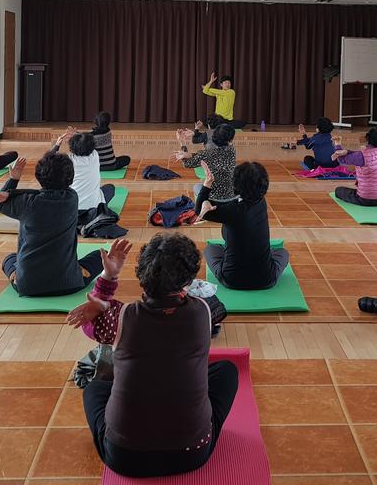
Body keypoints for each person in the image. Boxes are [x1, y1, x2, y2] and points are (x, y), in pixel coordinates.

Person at [67, 235, 239, 478]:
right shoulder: (203, 311)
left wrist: (108, 278)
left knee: (94, 389)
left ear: (142, 276)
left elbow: (89, 325)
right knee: (227, 371)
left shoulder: (122, 316)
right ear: (189, 280)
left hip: (124, 457)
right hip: (192, 454)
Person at [0, 154, 103, 296]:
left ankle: (15, 277)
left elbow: (0, 203)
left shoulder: (26, 202)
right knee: (103, 255)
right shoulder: (72, 197)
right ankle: (78, 269)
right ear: (70, 177)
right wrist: (12, 193)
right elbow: (46, 194)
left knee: (9, 259)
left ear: (39, 176)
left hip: (29, 286)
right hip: (69, 283)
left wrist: (13, 182)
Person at [198, 161, 289, 289]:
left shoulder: (230, 210)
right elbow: (231, 202)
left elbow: (199, 210)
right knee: (282, 252)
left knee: (210, 249)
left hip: (232, 280)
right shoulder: (261, 201)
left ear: (235, 186)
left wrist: (207, 184)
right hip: (266, 279)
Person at [52, 126, 115, 213]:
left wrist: (57, 144)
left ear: (72, 147)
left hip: (72, 209)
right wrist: (77, 134)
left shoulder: (68, 161)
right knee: (110, 188)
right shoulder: (95, 156)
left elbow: (49, 159)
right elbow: (88, 142)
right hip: (94, 209)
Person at [333, 125, 377, 206]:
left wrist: (337, 144)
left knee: (338, 191)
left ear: (368, 138)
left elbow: (341, 159)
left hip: (365, 199)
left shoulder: (361, 155)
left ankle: (368, 197)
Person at [172, 123, 237, 202]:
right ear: (230, 140)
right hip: (231, 195)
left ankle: (201, 211)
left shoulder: (206, 154)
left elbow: (187, 164)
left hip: (213, 197)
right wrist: (191, 154)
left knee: (197, 187)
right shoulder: (232, 150)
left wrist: (182, 143)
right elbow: (206, 155)